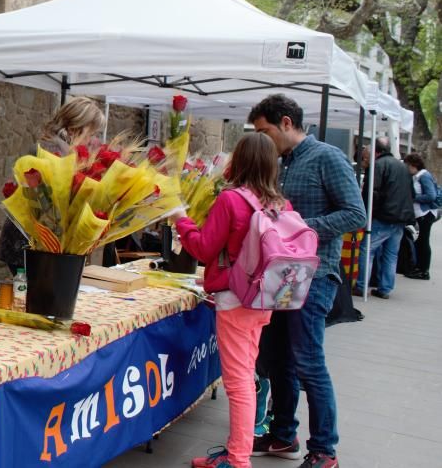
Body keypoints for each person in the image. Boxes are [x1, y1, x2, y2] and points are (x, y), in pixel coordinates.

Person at [248, 94, 366, 468]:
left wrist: (301, 230)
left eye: (264, 131)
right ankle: (284, 436)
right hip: (283, 276)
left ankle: (324, 450)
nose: (262, 140)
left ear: (286, 123)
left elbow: (355, 213)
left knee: (308, 362)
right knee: (278, 359)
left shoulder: (327, 157)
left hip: (315, 276)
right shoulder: (282, 163)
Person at [174, 133, 288, 468]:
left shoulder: (232, 200)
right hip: (266, 300)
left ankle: (238, 460)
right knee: (246, 375)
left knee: (238, 383)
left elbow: (204, 248)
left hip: (234, 300)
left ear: (239, 160)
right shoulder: (280, 203)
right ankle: (234, 452)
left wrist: (182, 220)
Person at [0, 96, 106, 274]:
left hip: (35, 243)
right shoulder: (52, 151)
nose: (92, 139)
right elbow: (48, 204)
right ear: (74, 127)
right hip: (31, 243)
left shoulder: (59, 147)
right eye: (91, 133)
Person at [355, 137, 414, 299]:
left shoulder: (378, 166)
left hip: (385, 216)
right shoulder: (402, 166)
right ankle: (385, 288)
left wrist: (367, 214)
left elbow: (371, 193)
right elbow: (411, 193)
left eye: (367, 154)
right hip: (400, 217)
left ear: (375, 151)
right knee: (390, 254)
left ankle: (362, 285)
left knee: (368, 250)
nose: (365, 157)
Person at [402, 153, 436, 281]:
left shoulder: (424, 176)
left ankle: (424, 271)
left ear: (414, 165)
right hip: (422, 213)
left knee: (423, 241)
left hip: (425, 214)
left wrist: (413, 197)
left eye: (408, 166)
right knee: (421, 241)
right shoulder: (418, 176)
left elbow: (431, 195)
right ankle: (420, 268)